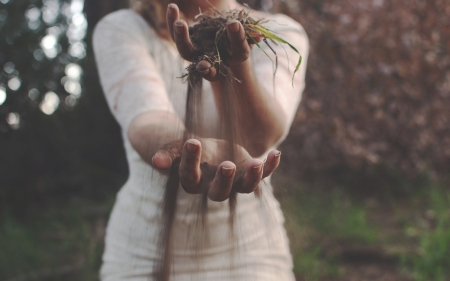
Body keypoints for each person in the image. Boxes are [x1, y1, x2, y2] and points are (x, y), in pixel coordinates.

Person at [93, 0, 309, 280]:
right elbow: (147, 117)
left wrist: (233, 64)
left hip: (250, 251)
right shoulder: (124, 28)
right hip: (145, 252)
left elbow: (257, 141)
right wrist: (188, 149)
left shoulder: (278, 32)